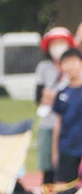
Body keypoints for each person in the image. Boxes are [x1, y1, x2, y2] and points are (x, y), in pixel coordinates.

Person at [21, 47, 82, 194]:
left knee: (74, 193)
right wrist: (55, 150)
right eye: (67, 63)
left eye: (75, 62)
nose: (71, 67)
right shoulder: (63, 93)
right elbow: (58, 124)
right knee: (64, 192)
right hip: (67, 149)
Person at [35, 27, 76, 185]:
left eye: (61, 43)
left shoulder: (74, 66)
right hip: (48, 122)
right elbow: (39, 97)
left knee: (66, 164)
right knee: (48, 165)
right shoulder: (44, 67)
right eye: (54, 43)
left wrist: (51, 95)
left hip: (68, 125)